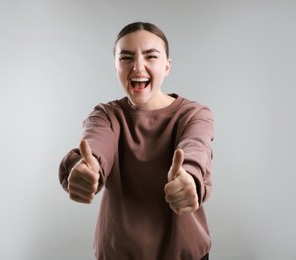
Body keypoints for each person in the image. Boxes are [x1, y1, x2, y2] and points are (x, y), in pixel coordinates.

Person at [59, 22, 214, 260]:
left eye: (150, 56)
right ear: (115, 66)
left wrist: (190, 178)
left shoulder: (194, 114)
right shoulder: (106, 115)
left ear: (167, 66)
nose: (137, 66)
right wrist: (83, 168)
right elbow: (95, 145)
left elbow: (196, 148)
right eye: (126, 58)